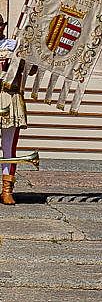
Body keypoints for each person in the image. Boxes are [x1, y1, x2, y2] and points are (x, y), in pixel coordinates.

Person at [0, 14, 32, 205]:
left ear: (3, 26)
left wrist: (26, 55)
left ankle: (7, 189)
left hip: (9, 96)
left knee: (9, 147)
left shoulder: (13, 46)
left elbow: (32, 69)